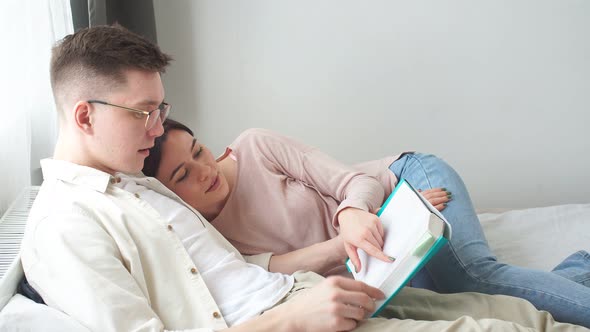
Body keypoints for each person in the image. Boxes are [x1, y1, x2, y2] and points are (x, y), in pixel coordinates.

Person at [19, 24, 588, 332]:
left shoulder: (137, 184)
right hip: (299, 318)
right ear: (85, 115)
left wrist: (338, 248)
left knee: (526, 317)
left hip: (320, 294)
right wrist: (293, 319)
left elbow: (241, 270)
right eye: (143, 113)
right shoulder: (64, 226)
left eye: (161, 111)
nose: (156, 128)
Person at [143, 119, 590, 328]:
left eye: (198, 152)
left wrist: (367, 212)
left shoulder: (255, 147)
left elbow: (354, 181)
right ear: (167, 195)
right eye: (183, 175)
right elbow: (275, 268)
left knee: (474, 278)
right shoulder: (209, 239)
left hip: (408, 184)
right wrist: (360, 232)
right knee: (456, 303)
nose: (204, 170)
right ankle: (575, 269)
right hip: (381, 240)